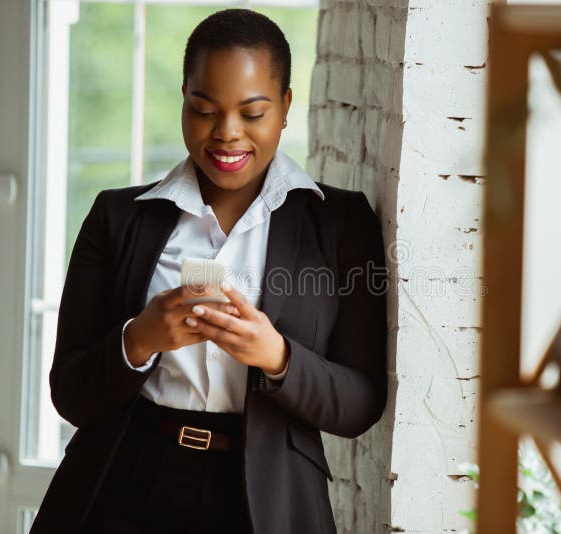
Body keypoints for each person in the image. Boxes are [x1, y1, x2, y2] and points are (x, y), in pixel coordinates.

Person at [31, 8, 388, 534]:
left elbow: (361, 402)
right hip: (122, 483)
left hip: (264, 499)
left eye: (253, 112)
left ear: (286, 107)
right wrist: (139, 339)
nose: (226, 134)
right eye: (203, 109)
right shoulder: (117, 217)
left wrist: (278, 358)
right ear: (183, 100)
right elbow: (70, 393)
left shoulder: (339, 223)